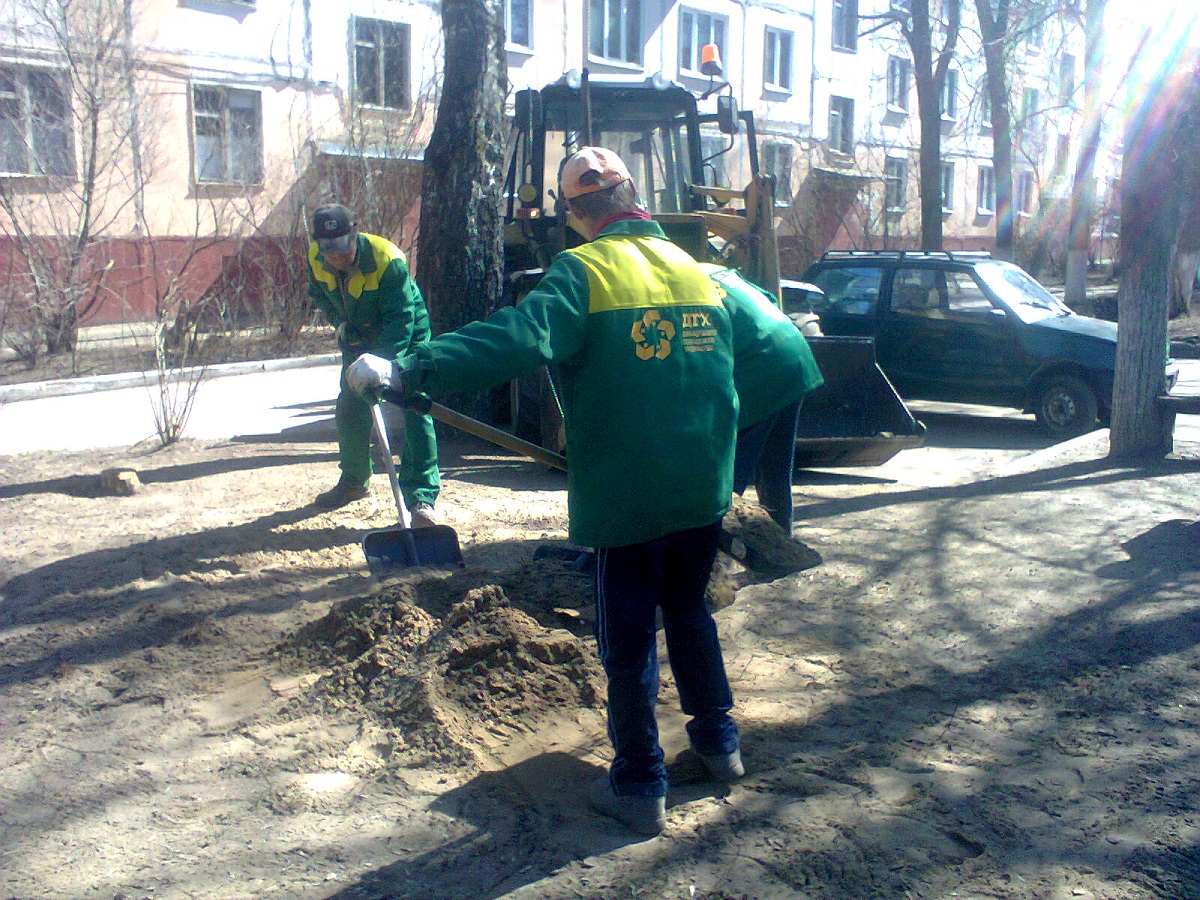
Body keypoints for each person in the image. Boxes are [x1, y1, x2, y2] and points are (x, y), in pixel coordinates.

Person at [305, 203, 441, 525]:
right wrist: (341, 324)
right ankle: (354, 481)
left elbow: (401, 317)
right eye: (329, 251)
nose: (337, 257)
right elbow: (318, 293)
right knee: (350, 405)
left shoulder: (387, 260)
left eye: (342, 248)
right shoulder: (316, 258)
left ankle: (421, 497)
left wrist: (384, 363)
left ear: (355, 233)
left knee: (415, 407)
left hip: (405, 335)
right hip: (357, 336)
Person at [712, 264, 824, 534]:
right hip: (794, 357)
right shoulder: (719, 272)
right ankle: (782, 541)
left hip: (762, 371)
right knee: (775, 465)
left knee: (730, 470)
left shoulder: (685, 288)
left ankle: (719, 552)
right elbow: (771, 300)